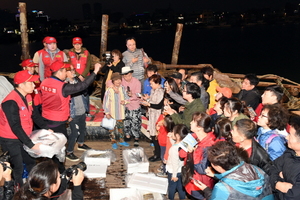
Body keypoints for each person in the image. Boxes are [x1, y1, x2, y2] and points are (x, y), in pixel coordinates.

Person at [0, 70, 49, 187]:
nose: (34, 85)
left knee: (30, 161)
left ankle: (31, 186)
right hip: (10, 139)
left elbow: (34, 115)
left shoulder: (27, 96)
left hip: (24, 136)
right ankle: (18, 191)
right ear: (21, 85)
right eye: (31, 83)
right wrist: (31, 144)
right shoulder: (10, 102)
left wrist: (46, 128)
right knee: (18, 167)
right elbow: (15, 126)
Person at [193, 141, 274, 200]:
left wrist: (206, 190)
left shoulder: (222, 188)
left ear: (216, 166)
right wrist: (215, 176)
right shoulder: (257, 169)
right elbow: (238, 178)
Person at [40, 61, 101, 138]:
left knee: (49, 140)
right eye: (65, 71)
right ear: (59, 72)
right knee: (60, 142)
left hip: (45, 117)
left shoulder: (44, 82)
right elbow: (83, 85)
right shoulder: (62, 87)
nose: (66, 74)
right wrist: (95, 72)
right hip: (58, 120)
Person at [179, 112, 216, 200]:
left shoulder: (210, 145)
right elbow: (181, 154)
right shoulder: (193, 136)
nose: (190, 122)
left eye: (193, 121)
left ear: (199, 127)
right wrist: (188, 150)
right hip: (189, 178)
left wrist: (191, 153)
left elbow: (203, 169)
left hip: (200, 185)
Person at [13, 159, 84, 200]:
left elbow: (53, 191)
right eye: (59, 177)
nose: (61, 178)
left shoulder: (27, 192)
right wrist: (77, 186)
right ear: (52, 186)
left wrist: (66, 179)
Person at [270, 114, 300, 200]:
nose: (286, 137)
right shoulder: (290, 153)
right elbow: (271, 168)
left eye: (290, 135)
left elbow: (290, 197)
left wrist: (276, 182)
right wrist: (278, 183)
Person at [65, 66, 91, 161]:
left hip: (82, 110)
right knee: (75, 133)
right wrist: (68, 115)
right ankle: (69, 152)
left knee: (83, 129)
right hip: (73, 113)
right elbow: (65, 102)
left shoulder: (77, 81)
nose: (73, 71)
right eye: (70, 70)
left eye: (73, 69)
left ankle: (81, 144)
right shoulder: (65, 84)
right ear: (65, 72)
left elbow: (85, 93)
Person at [141, 74, 164, 162]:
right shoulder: (153, 90)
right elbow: (153, 101)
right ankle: (157, 152)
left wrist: (148, 104)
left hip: (157, 115)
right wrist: (147, 99)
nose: (150, 85)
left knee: (156, 135)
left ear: (157, 82)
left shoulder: (160, 91)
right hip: (152, 114)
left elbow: (158, 105)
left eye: (152, 83)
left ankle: (158, 154)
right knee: (153, 134)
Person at [103, 72, 129, 149]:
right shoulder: (109, 90)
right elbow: (105, 102)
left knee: (121, 128)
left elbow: (127, 98)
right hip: (112, 113)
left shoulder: (123, 88)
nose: (118, 81)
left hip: (120, 113)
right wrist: (107, 112)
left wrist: (125, 101)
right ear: (113, 81)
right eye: (116, 80)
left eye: (119, 79)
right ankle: (113, 141)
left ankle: (122, 140)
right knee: (111, 129)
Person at [166, 124, 188, 200]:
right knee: (181, 187)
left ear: (177, 135)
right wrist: (171, 138)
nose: (172, 133)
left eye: (173, 132)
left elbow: (175, 163)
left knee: (172, 187)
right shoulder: (185, 143)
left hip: (173, 171)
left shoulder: (173, 149)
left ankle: (170, 198)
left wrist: (174, 175)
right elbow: (175, 144)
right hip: (181, 170)